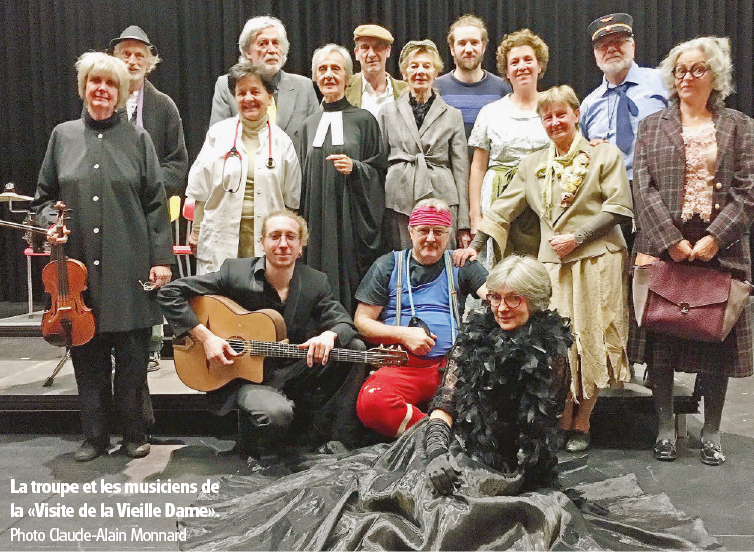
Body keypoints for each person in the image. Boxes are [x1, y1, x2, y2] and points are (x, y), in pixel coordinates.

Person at [457, 85, 634, 453]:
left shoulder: (605, 155)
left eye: (561, 114)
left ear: (576, 115)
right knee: (560, 342)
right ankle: (560, 418)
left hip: (599, 258)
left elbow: (619, 207)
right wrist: (475, 247)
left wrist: (579, 236)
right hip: (554, 263)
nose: (555, 122)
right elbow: (502, 209)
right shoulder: (532, 164)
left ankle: (582, 423)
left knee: (594, 336)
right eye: (547, 116)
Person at [31, 52, 173, 461]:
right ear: (84, 88)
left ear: (122, 92)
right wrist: (48, 225)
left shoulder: (139, 139)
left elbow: (154, 204)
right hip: (74, 269)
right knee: (87, 355)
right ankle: (94, 435)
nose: (102, 90)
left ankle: (132, 431)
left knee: (131, 354)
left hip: (129, 264)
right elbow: (44, 198)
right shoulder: (63, 136)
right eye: (95, 82)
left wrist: (160, 259)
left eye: (110, 84)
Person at [631, 37, 754, 465]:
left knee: (715, 341)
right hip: (665, 245)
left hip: (722, 247)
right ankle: (665, 428)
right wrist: (671, 241)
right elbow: (642, 190)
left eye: (696, 69)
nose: (686, 77)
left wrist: (715, 236)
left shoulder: (740, 125)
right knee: (662, 339)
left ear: (714, 76)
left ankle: (713, 431)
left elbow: (747, 191)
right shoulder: (651, 126)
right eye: (680, 70)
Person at [158, 211, 368, 455]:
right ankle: (264, 441)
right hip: (242, 378)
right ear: (262, 243)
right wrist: (207, 337)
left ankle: (336, 438)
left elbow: (343, 322)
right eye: (274, 236)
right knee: (276, 414)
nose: (282, 244)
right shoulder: (235, 273)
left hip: (292, 373)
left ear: (301, 246)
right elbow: (169, 293)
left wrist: (328, 336)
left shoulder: (315, 282)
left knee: (355, 349)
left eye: (290, 237)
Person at [354, 200, 487, 438]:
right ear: (411, 231)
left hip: (452, 368)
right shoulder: (388, 265)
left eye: (438, 231)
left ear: (448, 234)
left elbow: (498, 296)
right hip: (404, 366)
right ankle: (439, 436)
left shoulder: (459, 263)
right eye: (424, 230)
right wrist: (403, 334)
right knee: (372, 403)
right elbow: (362, 322)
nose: (430, 238)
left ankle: (436, 434)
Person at [110, 25, 189, 372]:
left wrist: (150, 191)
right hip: (111, 206)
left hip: (152, 208)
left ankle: (152, 344)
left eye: (139, 54)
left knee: (151, 274)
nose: (132, 60)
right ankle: (110, 341)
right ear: (115, 59)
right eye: (125, 53)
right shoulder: (104, 100)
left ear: (150, 61)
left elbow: (178, 162)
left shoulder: (164, 106)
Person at [296, 44, 387, 315]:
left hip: (349, 223)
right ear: (315, 78)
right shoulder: (307, 125)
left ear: (348, 77)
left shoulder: (364, 120)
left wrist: (357, 169)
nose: (329, 75)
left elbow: (379, 171)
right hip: (316, 219)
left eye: (336, 69)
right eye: (322, 69)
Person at [186, 60, 301, 275]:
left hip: (265, 238)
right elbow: (200, 189)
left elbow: (291, 201)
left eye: (255, 91)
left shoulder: (283, 142)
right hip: (221, 234)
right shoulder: (217, 135)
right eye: (241, 93)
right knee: (218, 301)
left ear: (269, 97)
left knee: (260, 302)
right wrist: (196, 230)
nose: (248, 98)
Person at [468, 28, 551, 262]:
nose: (522, 66)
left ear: (539, 66)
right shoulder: (490, 112)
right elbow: (477, 167)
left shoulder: (553, 108)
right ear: (506, 70)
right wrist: (476, 216)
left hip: (542, 201)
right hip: (496, 199)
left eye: (528, 60)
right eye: (514, 62)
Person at [379, 40, 470, 251]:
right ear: (404, 73)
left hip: (442, 197)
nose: (420, 71)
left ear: (436, 72)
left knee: (441, 260)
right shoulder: (387, 112)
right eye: (414, 66)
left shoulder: (453, 115)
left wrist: (463, 224)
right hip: (398, 200)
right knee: (402, 260)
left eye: (426, 66)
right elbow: (380, 165)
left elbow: (461, 170)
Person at [579, 13, 668, 183]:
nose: (611, 49)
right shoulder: (589, 105)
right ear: (595, 54)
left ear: (633, 45)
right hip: (608, 192)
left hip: (658, 185)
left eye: (618, 41)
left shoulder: (663, 82)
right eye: (603, 45)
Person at [208, 15, 319, 146]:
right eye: (263, 43)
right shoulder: (227, 85)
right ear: (248, 52)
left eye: (276, 43)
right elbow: (218, 140)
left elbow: (315, 141)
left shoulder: (303, 87)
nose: (271, 50)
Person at [435, 14, 511, 140]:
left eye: (474, 42)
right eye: (462, 43)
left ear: (484, 47)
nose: (468, 49)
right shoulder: (436, 88)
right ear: (452, 49)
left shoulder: (503, 89)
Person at [345, 24, 407, 118]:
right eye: (365, 47)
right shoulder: (343, 89)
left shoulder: (406, 91)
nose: (371, 54)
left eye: (377, 47)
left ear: (388, 51)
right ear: (356, 53)